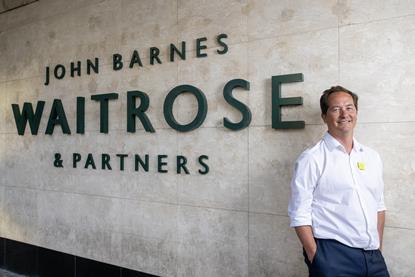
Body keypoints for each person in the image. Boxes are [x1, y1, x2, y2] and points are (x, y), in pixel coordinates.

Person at [288, 86, 390, 276]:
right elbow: (299, 212)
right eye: (336, 109)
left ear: (356, 112)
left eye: (349, 107)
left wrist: (378, 245)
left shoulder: (372, 157)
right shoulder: (312, 158)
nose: (344, 114)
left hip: (373, 257)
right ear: (324, 116)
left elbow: (378, 205)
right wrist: (316, 257)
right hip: (334, 257)